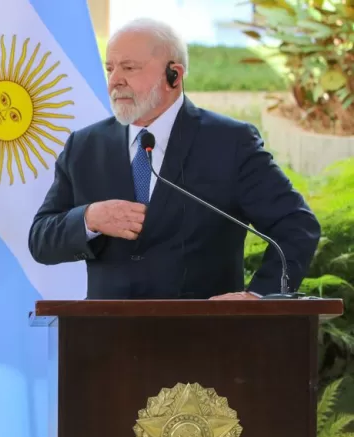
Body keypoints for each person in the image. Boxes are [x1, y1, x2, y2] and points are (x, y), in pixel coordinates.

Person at [27, 18, 320, 300]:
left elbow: (296, 226)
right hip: (107, 338)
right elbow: (41, 240)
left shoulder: (230, 142)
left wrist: (258, 295)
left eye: (129, 68)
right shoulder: (84, 146)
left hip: (204, 338)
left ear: (174, 76)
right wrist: (89, 218)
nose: (115, 81)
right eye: (110, 69)